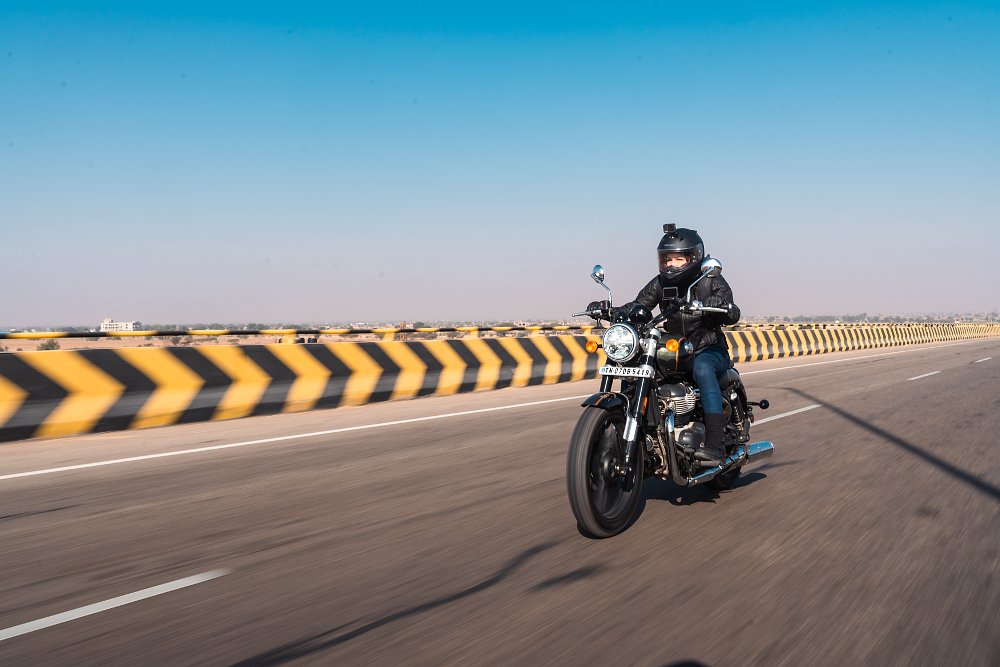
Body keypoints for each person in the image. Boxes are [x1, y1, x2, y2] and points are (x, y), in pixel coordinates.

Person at [594, 223, 741, 464]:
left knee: (703, 368)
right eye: (667, 259)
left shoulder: (710, 280)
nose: (671, 265)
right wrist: (610, 310)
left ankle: (715, 445)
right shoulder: (661, 283)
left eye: (678, 259)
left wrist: (720, 305)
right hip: (676, 349)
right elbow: (639, 306)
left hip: (709, 348)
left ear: (694, 257)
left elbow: (732, 311)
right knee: (637, 366)